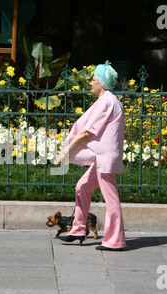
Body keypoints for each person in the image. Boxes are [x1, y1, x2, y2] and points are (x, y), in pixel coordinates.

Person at [55, 61, 126, 251]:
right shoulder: (106, 101)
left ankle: (115, 241)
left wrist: (65, 152)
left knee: (110, 199)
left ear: (102, 82)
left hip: (105, 159)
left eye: (94, 79)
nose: (91, 82)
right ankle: (78, 229)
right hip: (102, 157)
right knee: (82, 187)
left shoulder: (108, 101)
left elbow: (87, 132)